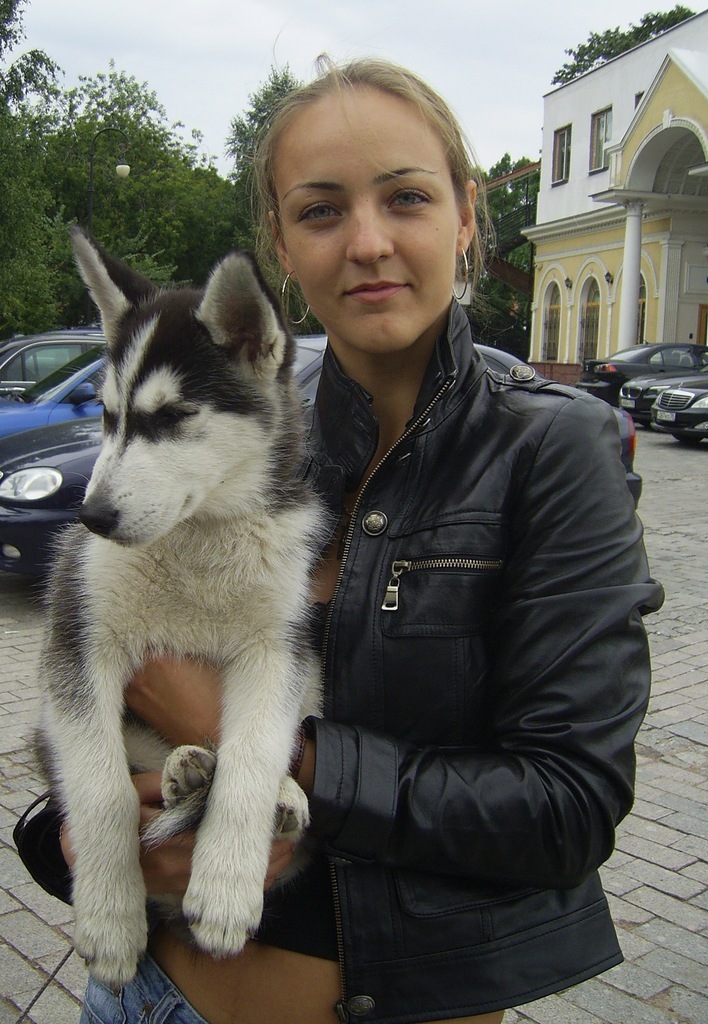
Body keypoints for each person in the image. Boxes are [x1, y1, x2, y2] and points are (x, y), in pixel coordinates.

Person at [15, 56, 663, 1024]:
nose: (367, 243)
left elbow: (566, 806)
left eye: (406, 196)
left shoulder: (550, 448)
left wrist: (282, 754)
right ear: (279, 242)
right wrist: (90, 815)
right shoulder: (248, 429)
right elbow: (94, 656)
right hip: (139, 990)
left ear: (466, 213)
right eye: (320, 210)